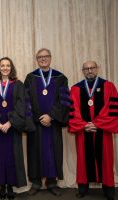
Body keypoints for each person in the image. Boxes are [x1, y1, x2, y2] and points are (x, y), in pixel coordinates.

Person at [68, 61, 118, 200]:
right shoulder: (75, 88)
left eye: (92, 68)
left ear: (97, 69)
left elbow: (112, 109)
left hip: (102, 132)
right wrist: (84, 124)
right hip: (83, 130)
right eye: (86, 68)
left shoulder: (108, 86)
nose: (89, 70)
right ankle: (83, 187)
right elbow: (73, 111)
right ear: (83, 71)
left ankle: (109, 189)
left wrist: (97, 124)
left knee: (106, 159)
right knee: (83, 159)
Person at [0, 57, 35, 200]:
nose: (5, 68)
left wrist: (10, 122)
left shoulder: (18, 84)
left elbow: (21, 105)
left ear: (11, 68)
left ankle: (11, 186)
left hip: (12, 127)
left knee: (12, 157)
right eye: (2, 66)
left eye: (7, 65)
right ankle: (1, 186)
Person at [24, 48, 70, 196]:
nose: (43, 59)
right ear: (37, 60)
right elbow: (26, 100)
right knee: (34, 151)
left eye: (46, 56)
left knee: (53, 151)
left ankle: (52, 182)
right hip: (36, 123)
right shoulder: (30, 77)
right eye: (40, 57)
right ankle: (36, 182)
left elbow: (64, 101)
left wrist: (51, 116)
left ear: (50, 58)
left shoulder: (60, 77)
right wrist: (39, 117)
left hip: (53, 123)